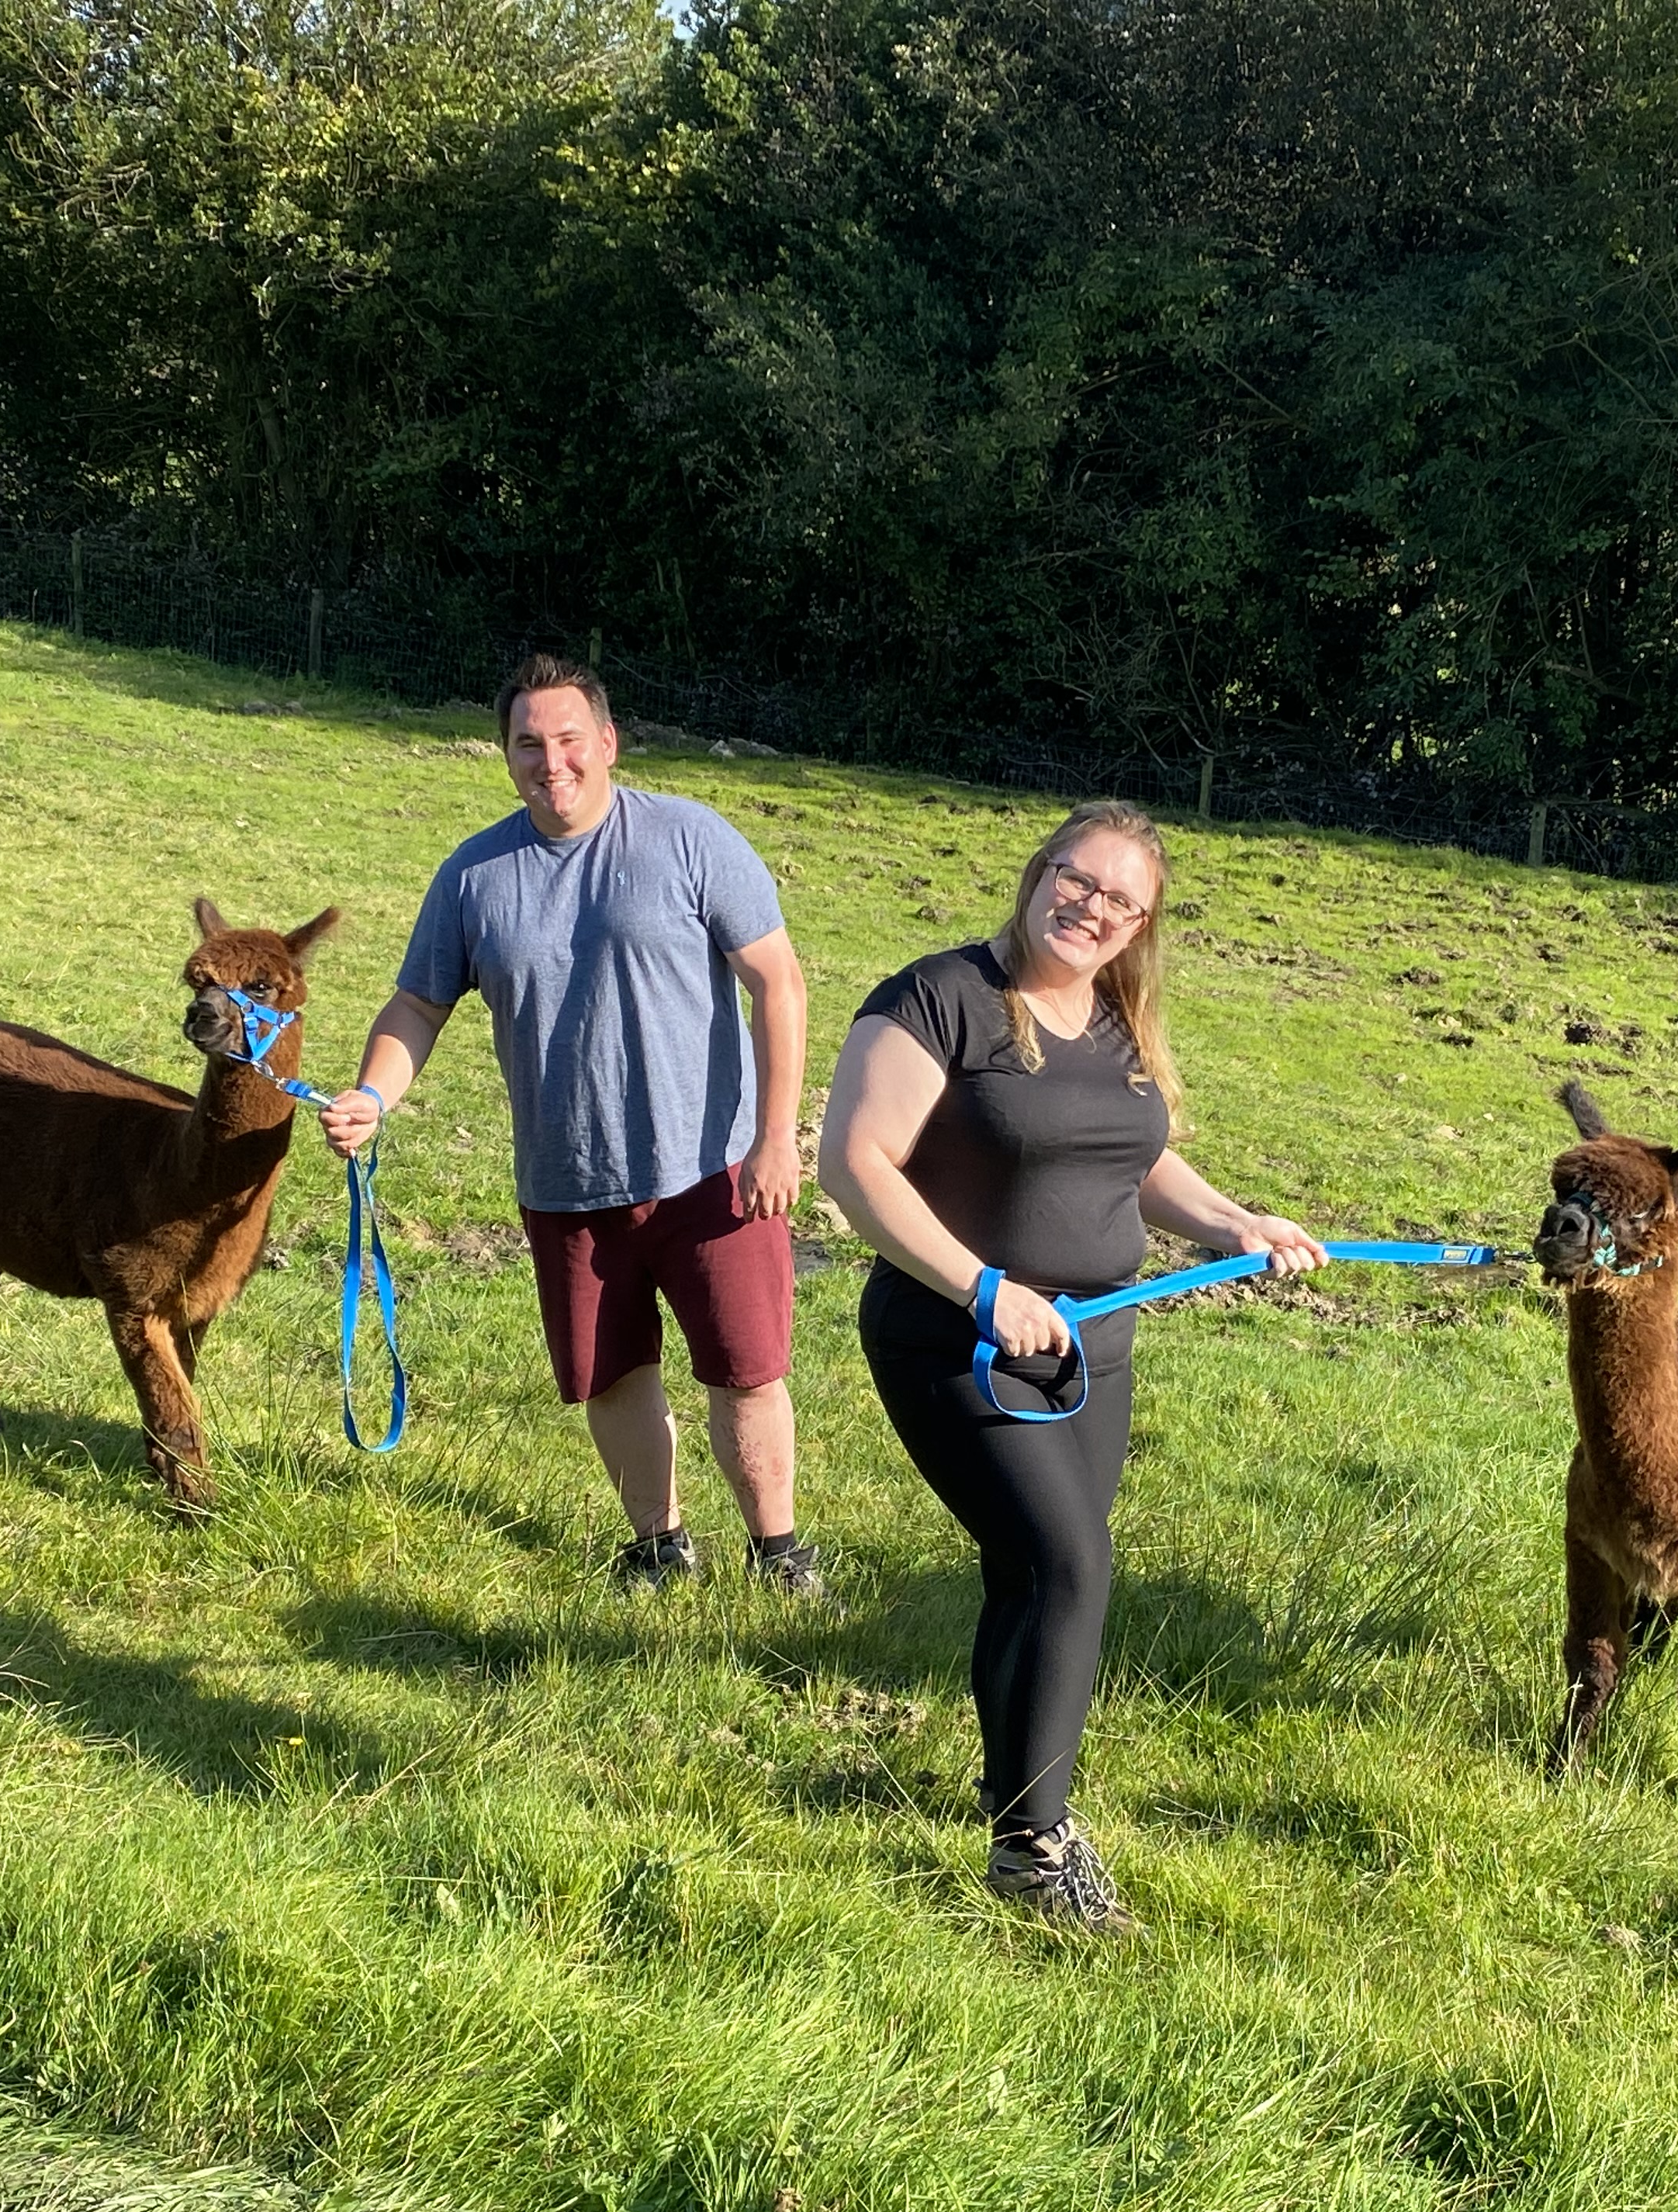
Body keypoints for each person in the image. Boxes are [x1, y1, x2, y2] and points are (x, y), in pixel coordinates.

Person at [818, 800, 1324, 1928]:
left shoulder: (1113, 1021)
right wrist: (987, 1289)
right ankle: (1040, 1854)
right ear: (1038, 871)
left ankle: (1013, 1817)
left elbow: (1142, 1167)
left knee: (1029, 1576)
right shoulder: (939, 997)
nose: (1091, 909)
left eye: (1121, 901)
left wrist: (1236, 1223)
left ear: (1143, 924)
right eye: (1077, 881)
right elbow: (855, 1163)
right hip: (955, 1339)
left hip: (1094, 1345)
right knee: (1073, 1570)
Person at [318, 653, 822, 1597]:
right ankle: (659, 1545)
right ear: (505, 754)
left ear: (607, 743)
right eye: (528, 744)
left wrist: (776, 1136)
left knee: (746, 1374)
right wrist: (372, 1096)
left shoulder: (690, 839)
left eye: (568, 741)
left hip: (711, 1173)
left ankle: (779, 1551)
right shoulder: (475, 876)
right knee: (611, 1377)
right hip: (566, 1182)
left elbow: (778, 982)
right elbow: (417, 1008)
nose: (551, 763)